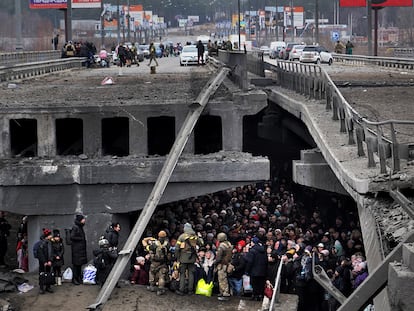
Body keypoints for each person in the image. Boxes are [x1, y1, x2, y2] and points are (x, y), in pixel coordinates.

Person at [175, 223, 203, 295]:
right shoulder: (195, 236)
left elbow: (177, 248)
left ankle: (181, 290)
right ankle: (190, 290)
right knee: (191, 274)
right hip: (192, 258)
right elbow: (201, 243)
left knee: (182, 274)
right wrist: (200, 237)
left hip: (183, 257)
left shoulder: (182, 237)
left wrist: (177, 257)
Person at [142, 230, 170, 295]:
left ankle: (151, 286)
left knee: (152, 273)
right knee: (162, 276)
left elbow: (147, 247)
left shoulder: (155, 244)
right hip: (163, 263)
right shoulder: (167, 244)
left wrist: (148, 239)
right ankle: (160, 289)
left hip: (154, 262)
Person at [245, 236, 268, 301]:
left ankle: (255, 295)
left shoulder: (252, 251)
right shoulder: (264, 250)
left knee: (254, 284)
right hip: (262, 271)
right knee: (261, 284)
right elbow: (266, 261)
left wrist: (247, 270)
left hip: (254, 271)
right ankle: (260, 296)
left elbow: (250, 261)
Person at [215, 232, 233, 301]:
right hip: (227, 263)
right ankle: (222, 292)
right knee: (224, 278)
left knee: (222, 279)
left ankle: (225, 294)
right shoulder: (228, 244)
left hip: (222, 264)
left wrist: (215, 262)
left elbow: (218, 257)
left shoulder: (221, 246)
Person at [70, 214, 87, 285]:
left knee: (79, 265)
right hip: (77, 249)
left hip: (80, 249)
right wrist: (81, 239)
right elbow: (72, 237)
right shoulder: (76, 227)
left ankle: (79, 278)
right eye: (83, 219)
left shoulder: (80, 227)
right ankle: (75, 279)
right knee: (76, 265)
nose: (84, 220)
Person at [37, 229, 54, 294]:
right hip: (43, 262)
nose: (51, 236)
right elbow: (40, 253)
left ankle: (48, 286)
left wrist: (50, 260)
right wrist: (44, 261)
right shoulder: (41, 243)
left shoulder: (50, 243)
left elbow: (51, 252)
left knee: (48, 274)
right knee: (42, 274)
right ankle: (41, 287)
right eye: (50, 235)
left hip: (49, 262)